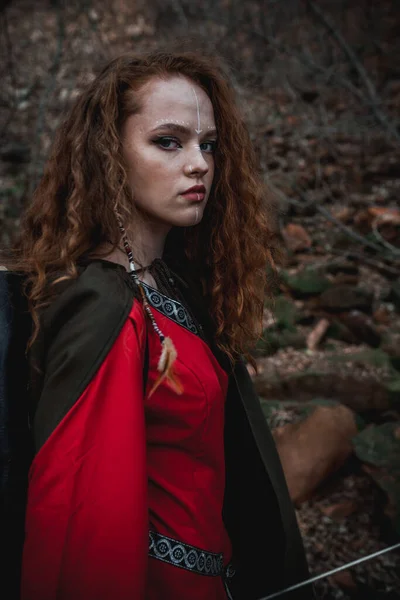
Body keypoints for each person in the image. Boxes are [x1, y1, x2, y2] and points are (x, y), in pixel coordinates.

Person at [1, 48, 314, 600]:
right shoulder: (104, 305)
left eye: (207, 145)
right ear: (109, 156)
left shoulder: (167, 281)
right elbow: (84, 530)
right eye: (167, 142)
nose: (198, 164)